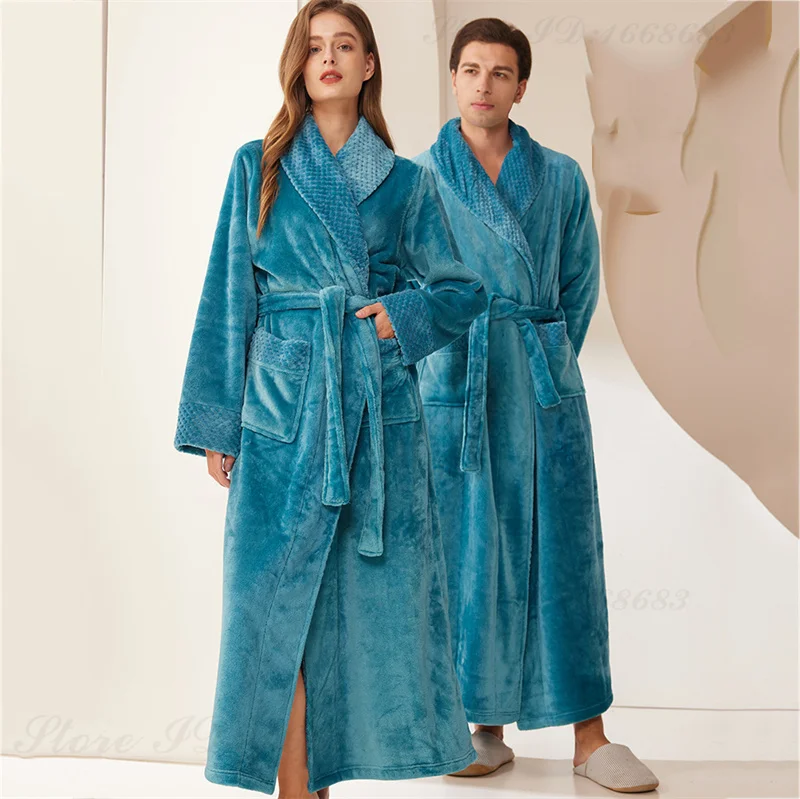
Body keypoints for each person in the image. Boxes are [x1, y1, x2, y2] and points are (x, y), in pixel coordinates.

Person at [172, 1, 489, 796]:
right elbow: (228, 297)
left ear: (369, 64)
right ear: (299, 63)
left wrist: (399, 316)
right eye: (315, 46)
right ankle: (293, 788)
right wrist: (218, 423)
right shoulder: (259, 164)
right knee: (273, 610)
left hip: (376, 417)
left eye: (346, 45)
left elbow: (461, 291)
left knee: (352, 615)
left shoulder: (407, 182)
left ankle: (320, 779)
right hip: (282, 410)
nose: (329, 58)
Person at [410, 18, 660, 794]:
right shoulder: (418, 179)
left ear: (521, 86)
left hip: (541, 388)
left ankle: (589, 734)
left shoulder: (560, 177)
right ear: (454, 79)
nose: (483, 84)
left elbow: (578, 283)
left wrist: (541, 355)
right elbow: (406, 290)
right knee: (469, 555)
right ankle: (480, 726)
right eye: (471, 69)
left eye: (500, 72)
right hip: (458, 387)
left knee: (565, 556)